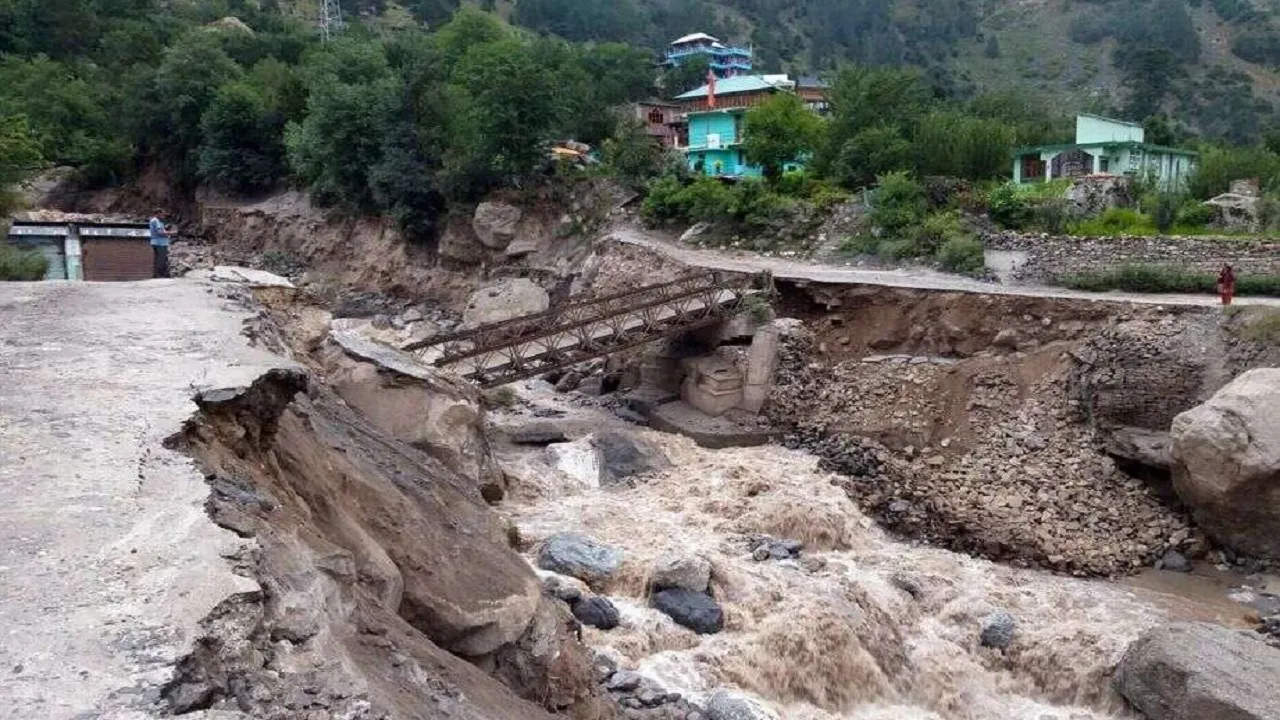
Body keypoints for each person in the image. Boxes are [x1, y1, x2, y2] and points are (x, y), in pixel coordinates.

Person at [148, 210, 172, 278]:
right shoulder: (156, 221)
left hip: (161, 242)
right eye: (161, 214)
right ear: (157, 214)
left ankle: (159, 274)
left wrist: (167, 231)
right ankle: (159, 274)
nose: (162, 215)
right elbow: (160, 232)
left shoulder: (159, 222)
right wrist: (171, 233)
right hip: (159, 243)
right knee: (161, 259)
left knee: (160, 258)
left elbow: (163, 231)